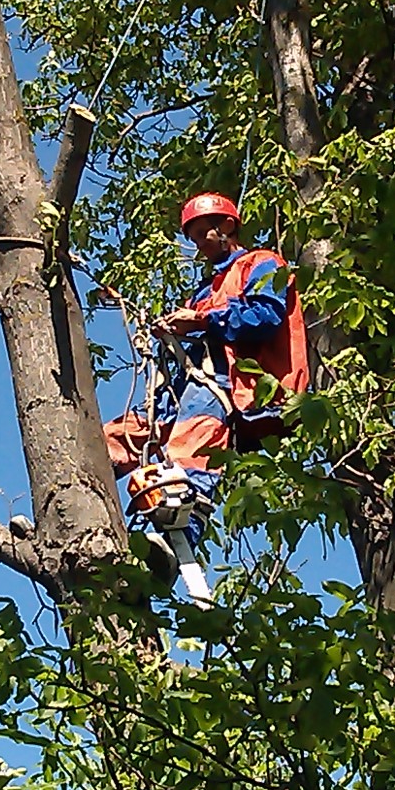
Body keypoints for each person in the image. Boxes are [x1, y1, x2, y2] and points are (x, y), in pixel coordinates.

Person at [103, 192, 309, 548]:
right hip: (181, 392)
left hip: (230, 385)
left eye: (203, 234)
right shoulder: (205, 289)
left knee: (191, 445)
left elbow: (265, 316)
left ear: (227, 225)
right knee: (113, 437)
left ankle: (180, 532)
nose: (200, 245)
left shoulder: (262, 264)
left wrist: (201, 320)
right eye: (194, 238)